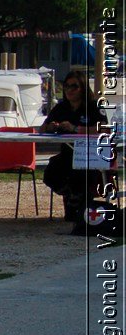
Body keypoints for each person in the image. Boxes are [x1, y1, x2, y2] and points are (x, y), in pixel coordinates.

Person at [40, 70, 109, 223]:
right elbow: (42, 129)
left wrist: (76, 128)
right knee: (51, 173)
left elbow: (105, 129)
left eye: (74, 86)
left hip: (91, 155)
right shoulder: (61, 108)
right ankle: (71, 196)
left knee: (80, 174)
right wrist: (51, 127)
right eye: (66, 86)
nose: (69, 90)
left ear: (83, 88)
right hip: (67, 154)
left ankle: (78, 204)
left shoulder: (95, 106)